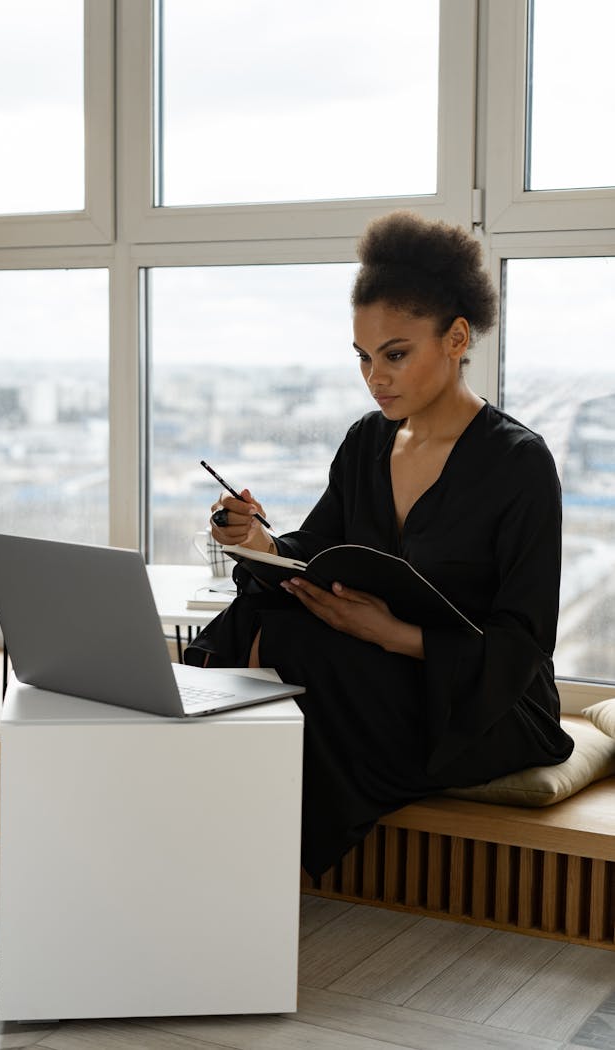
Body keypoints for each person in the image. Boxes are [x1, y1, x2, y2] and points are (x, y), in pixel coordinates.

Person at [185, 210, 574, 877]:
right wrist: (257, 538)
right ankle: (204, 809)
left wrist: (393, 634)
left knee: (304, 651)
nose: (375, 377)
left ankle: (249, 853)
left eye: (395, 354)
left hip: (483, 697)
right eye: (364, 358)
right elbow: (318, 554)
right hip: (373, 664)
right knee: (254, 616)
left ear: (456, 338)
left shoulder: (519, 464)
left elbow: (525, 639)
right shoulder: (367, 442)